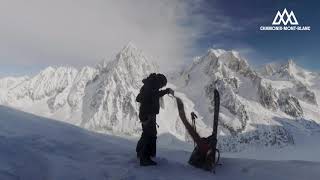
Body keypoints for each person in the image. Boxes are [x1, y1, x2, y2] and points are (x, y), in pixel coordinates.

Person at [136, 73, 174, 166]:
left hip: (146, 114)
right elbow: (152, 95)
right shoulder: (151, 86)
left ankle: (141, 152)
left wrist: (165, 91)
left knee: (147, 134)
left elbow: (154, 94)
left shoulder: (150, 85)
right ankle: (144, 158)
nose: (161, 87)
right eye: (162, 85)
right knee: (150, 135)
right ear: (160, 82)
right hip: (148, 115)